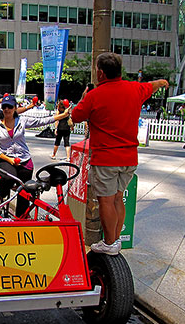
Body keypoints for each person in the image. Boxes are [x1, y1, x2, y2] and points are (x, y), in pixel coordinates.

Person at [69, 52, 169, 255]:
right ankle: (115, 241)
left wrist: (84, 97)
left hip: (106, 158)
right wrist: (162, 82)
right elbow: (153, 85)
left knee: (105, 200)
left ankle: (109, 243)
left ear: (100, 72)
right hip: (129, 158)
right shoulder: (135, 89)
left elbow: (76, 116)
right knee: (117, 198)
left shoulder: (95, 96)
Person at [0, 95, 69, 217]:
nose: (7, 109)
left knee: (26, 189)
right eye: (4, 107)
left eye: (10, 107)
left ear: (15, 108)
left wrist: (62, 116)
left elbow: (42, 121)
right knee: (10, 178)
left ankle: (21, 218)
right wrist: (9, 160)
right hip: (5, 158)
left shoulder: (21, 121)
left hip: (24, 158)